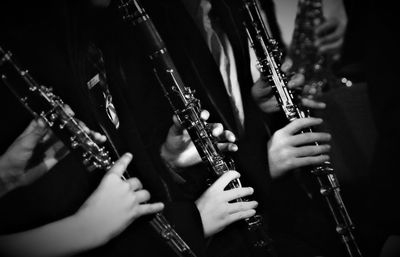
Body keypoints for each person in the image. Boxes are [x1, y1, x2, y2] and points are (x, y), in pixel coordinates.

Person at [107, 0, 337, 256]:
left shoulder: (227, 8)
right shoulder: (137, 29)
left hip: (278, 211)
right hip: (225, 237)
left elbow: (231, 111)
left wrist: (260, 106)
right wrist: (263, 162)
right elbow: (156, 159)